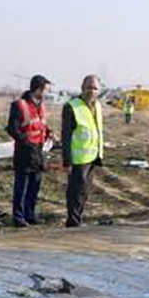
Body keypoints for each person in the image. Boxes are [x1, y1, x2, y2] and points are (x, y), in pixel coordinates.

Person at [6, 75, 53, 226]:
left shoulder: (41, 107)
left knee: (35, 185)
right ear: (38, 89)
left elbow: (40, 125)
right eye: (46, 89)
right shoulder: (20, 105)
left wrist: (49, 132)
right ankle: (18, 217)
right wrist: (23, 140)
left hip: (38, 151)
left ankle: (30, 214)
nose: (47, 93)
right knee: (22, 186)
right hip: (24, 152)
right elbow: (12, 128)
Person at [61, 75, 105, 227]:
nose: (92, 91)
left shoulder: (98, 106)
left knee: (84, 192)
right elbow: (65, 136)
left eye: (95, 88)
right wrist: (67, 161)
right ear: (82, 88)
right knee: (75, 192)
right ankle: (73, 222)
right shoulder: (72, 107)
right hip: (78, 158)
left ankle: (78, 218)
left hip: (92, 156)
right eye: (89, 87)